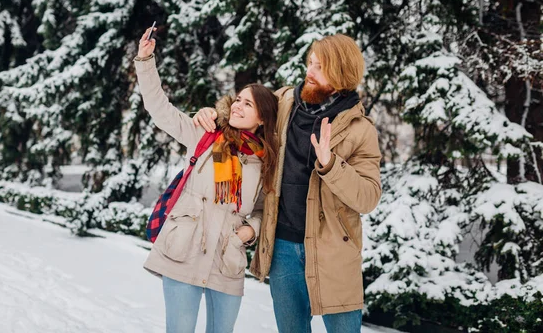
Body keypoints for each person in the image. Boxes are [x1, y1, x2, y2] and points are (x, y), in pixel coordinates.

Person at [193, 34, 382, 333]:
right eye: (310, 62)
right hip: (282, 247)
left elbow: (369, 197)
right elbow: (243, 113)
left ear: (341, 73)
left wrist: (331, 165)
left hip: (334, 251)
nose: (309, 71)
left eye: (319, 67)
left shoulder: (360, 130)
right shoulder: (283, 103)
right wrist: (215, 114)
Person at [133, 25, 279, 333]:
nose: (238, 106)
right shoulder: (205, 133)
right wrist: (146, 62)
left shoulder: (264, 161)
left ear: (263, 118)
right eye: (238, 99)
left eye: (248, 104)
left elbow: (263, 211)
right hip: (183, 250)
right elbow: (160, 109)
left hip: (227, 260)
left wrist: (247, 233)